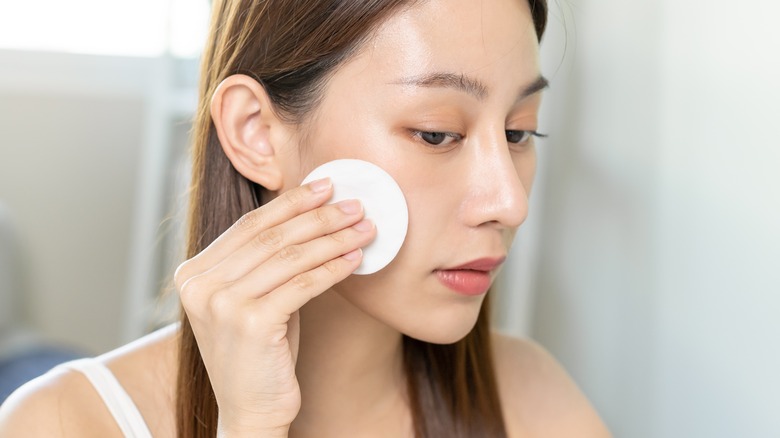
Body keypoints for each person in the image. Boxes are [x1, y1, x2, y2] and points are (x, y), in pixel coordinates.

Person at [0, 0, 611, 436]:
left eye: (519, 131)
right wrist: (253, 427)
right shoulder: (61, 423)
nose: (509, 201)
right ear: (257, 133)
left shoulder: (532, 398)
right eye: (437, 133)